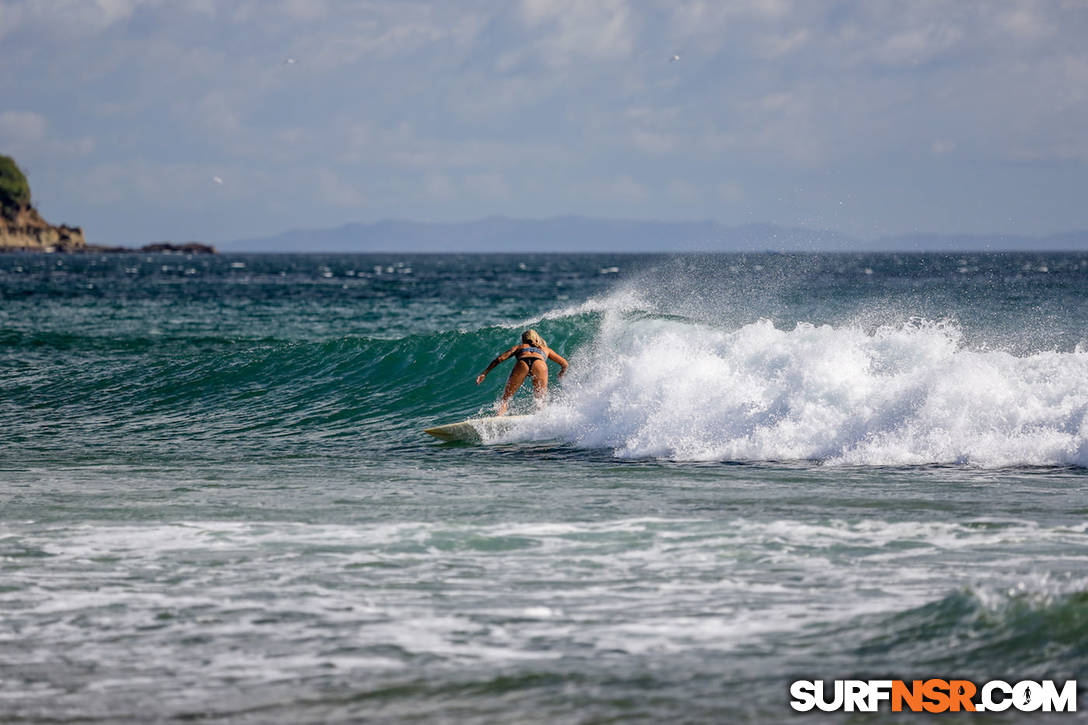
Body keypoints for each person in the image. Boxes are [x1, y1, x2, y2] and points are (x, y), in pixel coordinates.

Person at [476, 329, 569, 415]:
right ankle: (540, 418)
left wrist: (485, 373)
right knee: (541, 398)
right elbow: (565, 364)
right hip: (539, 363)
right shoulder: (545, 349)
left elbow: (500, 358)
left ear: (523, 339)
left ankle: (499, 417)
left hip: (522, 363)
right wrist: (561, 374)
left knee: (506, 399)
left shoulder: (519, 347)